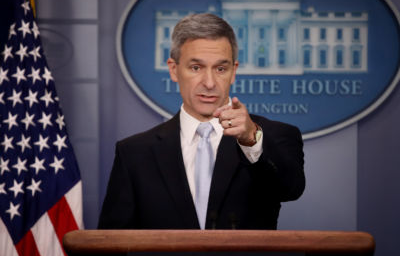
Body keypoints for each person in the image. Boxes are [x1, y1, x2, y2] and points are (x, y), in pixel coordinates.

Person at [98, 13, 305, 230]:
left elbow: (290, 190)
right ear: (174, 69)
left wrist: (251, 141)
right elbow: (111, 243)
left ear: (234, 72)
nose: (209, 83)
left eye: (220, 69)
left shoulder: (272, 135)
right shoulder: (134, 153)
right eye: (196, 68)